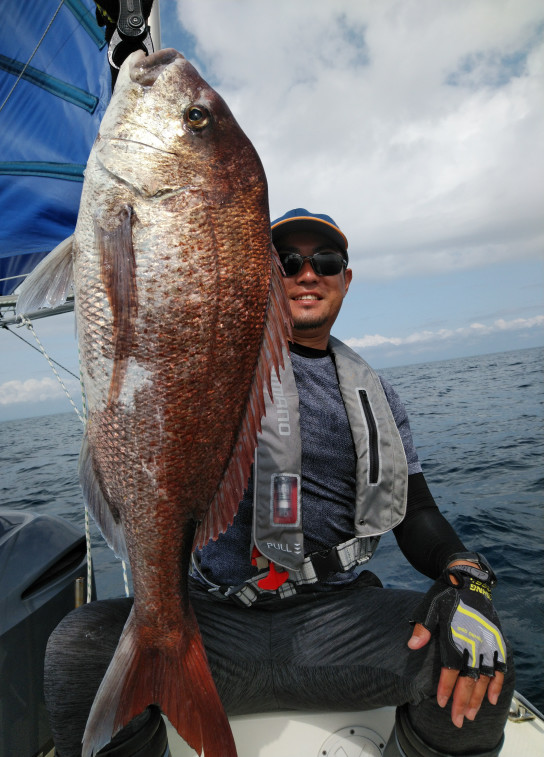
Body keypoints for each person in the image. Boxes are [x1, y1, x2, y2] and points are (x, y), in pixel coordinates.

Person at [44, 209, 514, 757]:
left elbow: (417, 513)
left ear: (346, 278)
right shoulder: (210, 365)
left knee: (481, 654)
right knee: (79, 648)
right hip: (210, 622)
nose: (307, 274)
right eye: (287, 262)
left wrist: (465, 573)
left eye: (326, 262)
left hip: (337, 621)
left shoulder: (377, 396)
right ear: (258, 275)